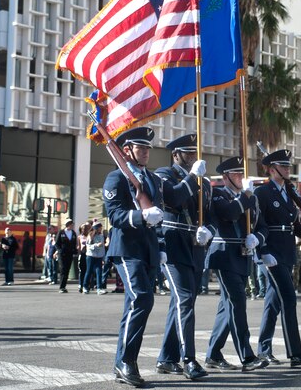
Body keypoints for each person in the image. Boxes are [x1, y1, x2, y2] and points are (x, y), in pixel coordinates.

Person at [103, 126, 207, 387]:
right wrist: (139, 216)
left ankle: (123, 361)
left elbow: (169, 202)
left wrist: (160, 246)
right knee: (142, 299)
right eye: (141, 148)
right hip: (127, 249)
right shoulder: (117, 178)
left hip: (150, 250)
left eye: (148, 148)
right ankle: (126, 361)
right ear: (127, 151)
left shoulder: (152, 180)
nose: (146, 152)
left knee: (136, 304)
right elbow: (115, 216)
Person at [255, 149, 301, 368]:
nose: (287, 169)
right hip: (272, 253)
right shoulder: (263, 193)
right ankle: (295, 353)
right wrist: (263, 251)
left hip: (287, 252)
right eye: (283, 166)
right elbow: (258, 224)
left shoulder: (289, 194)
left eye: (288, 166)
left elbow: (293, 226)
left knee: (273, 304)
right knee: (289, 299)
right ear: (271, 169)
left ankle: (264, 350)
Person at [153, 134, 211, 381]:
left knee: (181, 302)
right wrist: (192, 178)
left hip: (195, 248)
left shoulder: (204, 182)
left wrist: (209, 232)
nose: (192, 157)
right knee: (185, 300)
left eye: (194, 153)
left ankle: (166, 358)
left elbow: (209, 215)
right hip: (174, 245)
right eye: (187, 153)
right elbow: (174, 197)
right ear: (175, 154)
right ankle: (189, 360)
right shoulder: (163, 174)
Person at [204, 156, 269, 372]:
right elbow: (229, 213)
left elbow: (262, 225)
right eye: (236, 174)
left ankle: (213, 354)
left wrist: (257, 238)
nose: (240, 177)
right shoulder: (218, 194)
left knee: (227, 308)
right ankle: (247, 357)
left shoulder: (247, 197)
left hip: (243, 257)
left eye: (241, 173)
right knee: (237, 305)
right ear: (225, 177)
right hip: (224, 256)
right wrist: (247, 196)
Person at [54, 220, 77, 293]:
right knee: (63, 269)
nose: (72, 226)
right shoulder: (61, 232)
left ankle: (64, 286)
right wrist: (59, 250)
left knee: (67, 270)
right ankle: (61, 286)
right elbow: (57, 243)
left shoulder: (73, 233)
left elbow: (74, 243)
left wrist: (74, 251)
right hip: (62, 254)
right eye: (71, 224)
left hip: (70, 254)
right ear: (67, 225)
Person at [84, 221, 107, 295]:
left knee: (99, 272)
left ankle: (99, 288)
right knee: (89, 271)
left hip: (99, 256)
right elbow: (89, 246)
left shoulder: (101, 236)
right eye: (99, 227)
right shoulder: (90, 236)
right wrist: (96, 245)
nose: (101, 229)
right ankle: (85, 287)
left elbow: (103, 247)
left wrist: (103, 258)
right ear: (96, 228)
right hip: (91, 256)